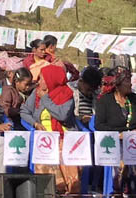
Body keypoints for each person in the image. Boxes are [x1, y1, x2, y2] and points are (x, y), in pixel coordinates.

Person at [21, 64, 79, 193]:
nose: (38, 81)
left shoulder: (66, 94)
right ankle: (50, 191)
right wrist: (35, 124)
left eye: (41, 78)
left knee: (65, 157)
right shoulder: (36, 93)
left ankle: (69, 190)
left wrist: (46, 99)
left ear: (51, 79)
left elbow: (62, 115)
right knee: (45, 162)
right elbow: (24, 111)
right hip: (45, 139)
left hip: (64, 138)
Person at [94, 73, 136, 194]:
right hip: (115, 140)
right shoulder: (105, 101)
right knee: (123, 159)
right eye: (127, 82)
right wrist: (118, 134)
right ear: (118, 86)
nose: (131, 84)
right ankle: (120, 189)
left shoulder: (134, 99)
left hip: (135, 139)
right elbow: (99, 125)